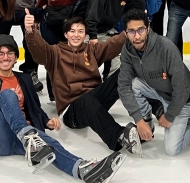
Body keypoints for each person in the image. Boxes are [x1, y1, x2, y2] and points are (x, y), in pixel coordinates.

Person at [0, 35, 126, 183]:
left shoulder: (24, 79)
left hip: (21, 139)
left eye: (10, 53)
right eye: (0, 53)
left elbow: (35, 109)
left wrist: (46, 121)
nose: (5, 57)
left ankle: (83, 170)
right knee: (8, 96)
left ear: (16, 57)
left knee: (50, 144)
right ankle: (28, 137)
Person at [25, 14, 142, 155]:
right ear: (66, 34)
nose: (76, 35)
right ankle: (119, 136)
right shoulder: (54, 53)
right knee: (86, 99)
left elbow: (111, 45)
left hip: (94, 101)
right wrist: (31, 31)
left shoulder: (91, 50)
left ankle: (149, 118)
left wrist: (128, 32)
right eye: (72, 31)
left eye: (80, 31)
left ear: (85, 34)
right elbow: (39, 51)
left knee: (125, 71)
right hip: (72, 110)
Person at [118, 9, 190, 157]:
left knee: (171, 150)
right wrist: (139, 120)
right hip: (159, 91)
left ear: (148, 28)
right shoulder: (128, 50)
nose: (137, 36)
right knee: (134, 85)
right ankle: (148, 122)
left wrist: (170, 115)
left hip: (183, 100)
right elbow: (123, 86)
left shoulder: (166, 47)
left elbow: (183, 87)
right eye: (131, 31)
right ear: (126, 33)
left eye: (141, 30)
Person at [36, 0, 89, 101]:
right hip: (50, 26)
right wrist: (34, 25)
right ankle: (54, 94)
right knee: (54, 58)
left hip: (68, 25)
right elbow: (40, 6)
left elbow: (87, 0)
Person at [83, 0, 145, 78]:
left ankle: (111, 84)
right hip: (87, 31)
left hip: (105, 30)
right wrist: (92, 36)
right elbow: (92, 13)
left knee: (122, 53)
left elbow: (136, 13)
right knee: (87, 63)